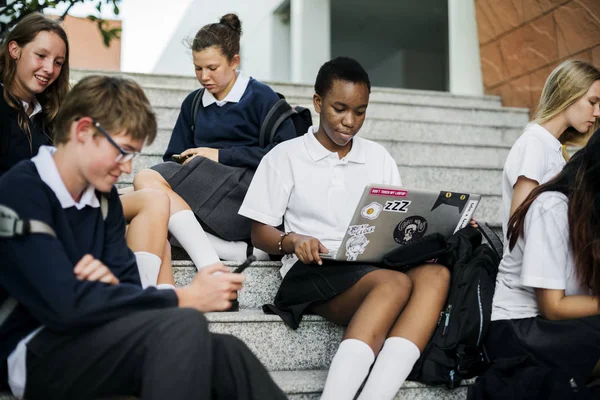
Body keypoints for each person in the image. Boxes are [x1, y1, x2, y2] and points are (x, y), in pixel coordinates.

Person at [0, 75, 287, 400]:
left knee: (228, 353)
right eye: (122, 152)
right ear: (82, 131)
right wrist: (184, 297)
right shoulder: (20, 191)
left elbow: (126, 291)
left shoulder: (103, 202)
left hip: (97, 333)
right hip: (33, 349)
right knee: (183, 322)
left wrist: (99, 289)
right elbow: (64, 306)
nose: (127, 168)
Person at [238, 57, 451, 400]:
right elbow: (259, 233)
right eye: (340, 109)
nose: (350, 122)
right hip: (313, 269)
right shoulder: (285, 156)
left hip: (371, 264)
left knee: (436, 276)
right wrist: (293, 241)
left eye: (360, 111)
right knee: (394, 283)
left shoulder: (378, 157)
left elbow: (396, 222)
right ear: (318, 102)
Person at [133, 13, 296, 263]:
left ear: (234, 61)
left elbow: (287, 156)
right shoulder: (195, 103)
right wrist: (189, 161)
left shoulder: (263, 98)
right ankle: (229, 252)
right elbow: (171, 157)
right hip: (203, 193)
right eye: (198, 68)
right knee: (143, 200)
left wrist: (218, 155)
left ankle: (209, 258)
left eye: (212, 68)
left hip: (245, 198)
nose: (204, 76)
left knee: (145, 184)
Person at [482, 127, 600, 397]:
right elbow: (553, 307)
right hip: (519, 330)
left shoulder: (590, 216)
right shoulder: (552, 207)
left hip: (565, 325)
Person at [494, 60, 600, 321]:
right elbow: (520, 223)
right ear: (568, 93)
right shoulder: (534, 144)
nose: (597, 112)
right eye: (592, 101)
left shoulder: (554, 149)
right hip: (524, 304)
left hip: (545, 287)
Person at [0, 12, 69, 178]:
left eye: (58, 62)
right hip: (16, 201)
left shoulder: (50, 113)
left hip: (53, 200)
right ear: (14, 50)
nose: (50, 69)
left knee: (144, 177)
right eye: (41, 56)